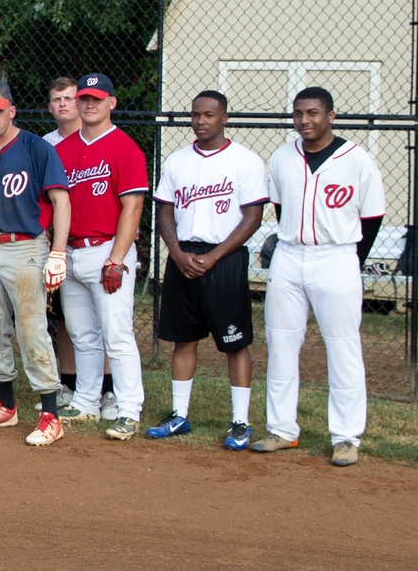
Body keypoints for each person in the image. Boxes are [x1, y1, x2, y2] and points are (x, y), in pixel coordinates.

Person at [251, 86, 384, 467]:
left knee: (343, 347)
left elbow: (372, 218)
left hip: (337, 255)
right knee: (280, 344)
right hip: (290, 255)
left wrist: (349, 260)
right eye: (298, 114)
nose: (305, 121)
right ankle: (282, 429)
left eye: (312, 113)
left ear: (331, 116)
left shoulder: (356, 159)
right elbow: (279, 206)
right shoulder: (282, 156)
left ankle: (346, 436)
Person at [148, 90, 265, 449]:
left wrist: (214, 257)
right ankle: (179, 415)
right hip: (184, 256)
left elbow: (253, 217)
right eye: (196, 114)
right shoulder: (178, 160)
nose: (200, 121)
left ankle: (240, 422)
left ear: (224, 118)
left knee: (234, 342)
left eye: (209, 115)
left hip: (225, 258)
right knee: (183, 339)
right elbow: (164, 209)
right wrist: (176, 251)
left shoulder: (245, 161)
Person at [0, 79, 73, 446]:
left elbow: (60, 201)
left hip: (26, 247)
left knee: (31, 330)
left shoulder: (35, 147)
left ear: (12, 110)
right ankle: (5, 405)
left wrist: (57, 251)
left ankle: (50, 414)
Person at [52, 72, 149, 438]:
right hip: (71, 251)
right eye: (85, 99)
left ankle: (129, 408)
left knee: (116, 333)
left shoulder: (124, 147)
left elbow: (133, 206)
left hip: (107, 247)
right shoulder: (61, 150)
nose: (90, 105)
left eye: (97, 99)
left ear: (112, 103)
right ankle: (87, 402)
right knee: (82, 335)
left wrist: (117, 258)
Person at [43, 76, 88, 410]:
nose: (63, 104)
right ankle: (68, 383)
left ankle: (106, 387)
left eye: (68, 98)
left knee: (93, 322)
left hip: (91, 242)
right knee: (62, 317)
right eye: (56, 99)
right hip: (57, 244)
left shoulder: (95, 139)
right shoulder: (45, 144)